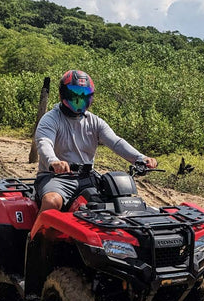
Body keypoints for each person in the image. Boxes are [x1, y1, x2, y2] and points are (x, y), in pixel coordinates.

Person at [34, 69, 158, 213]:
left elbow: (116, 142)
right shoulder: (51, 119)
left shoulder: (94, 121)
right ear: (63, 94)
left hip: (87, 177)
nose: (79, 100)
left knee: (120, 201)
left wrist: (140, 158)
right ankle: (35, 235)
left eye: (84, 95)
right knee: (51, 201)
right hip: (56, 178)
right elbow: (44, 142)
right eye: (75, 95)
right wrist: (53, 161)